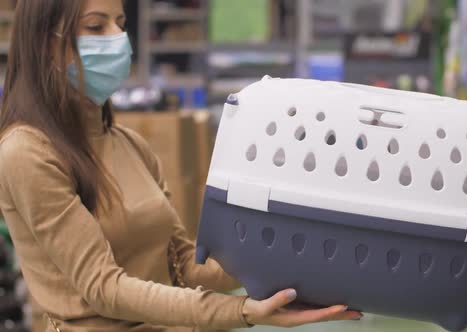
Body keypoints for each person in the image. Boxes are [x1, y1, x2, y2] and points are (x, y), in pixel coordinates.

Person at [0, 0, 362, 331]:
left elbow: (183, 267)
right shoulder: (28, 153)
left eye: (121, 23)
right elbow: (103, 288)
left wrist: (297, 265)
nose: (118, 39)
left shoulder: (130, 146)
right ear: (45, 43)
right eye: (96, 27)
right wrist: (241, 311)